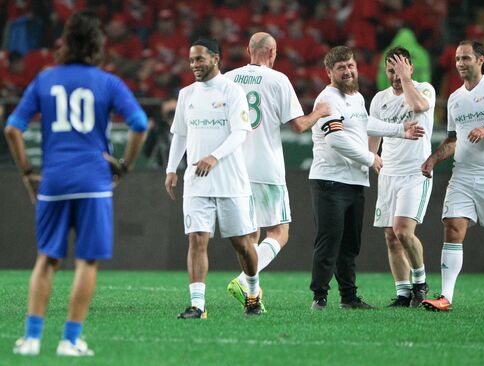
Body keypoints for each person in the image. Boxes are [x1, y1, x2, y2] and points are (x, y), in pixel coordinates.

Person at [6, 10, 147, 356]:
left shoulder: (44, 79)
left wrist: (27, 172)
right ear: (97, 45)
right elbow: (140, 124)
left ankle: (32, 339)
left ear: (65, 43)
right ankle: (70, 341)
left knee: (46, 259)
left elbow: (12, 128)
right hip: (94, 181)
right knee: (86, 261)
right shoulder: (107, 81)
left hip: (53, 180)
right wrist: (123, 166)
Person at [309, 45, 425, 310]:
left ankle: (348, 297)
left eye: (350, 66)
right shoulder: (327, 100)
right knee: (329, 241)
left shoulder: (356, 98)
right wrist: (370, 158)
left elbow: (366, 124)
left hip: (354, 182)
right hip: (330, 181)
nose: (348, 71)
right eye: (341, 68)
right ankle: (319, 297)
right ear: (329, 72)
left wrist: (399, 130)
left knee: (350, 245)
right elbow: (336, 139)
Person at [223, 32, 331, 310]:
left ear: (248, 49)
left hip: (235, 167)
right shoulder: (278, 79)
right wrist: (318, 113)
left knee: (250, 236)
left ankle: (253, 297)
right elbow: (297, 125)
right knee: (279, 231)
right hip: (266, 166)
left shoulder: (228, 79)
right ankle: (243, 281)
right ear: (273, 52)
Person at [421, 40, 484, 312]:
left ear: (480, 60)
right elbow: (454, 140)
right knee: (453, 228)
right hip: (462, 175)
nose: (460, 64)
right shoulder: (454, 98)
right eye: (457, 59)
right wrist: (433, 158)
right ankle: (445, 297)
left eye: (466, 58)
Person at [164, 37, 262, 319]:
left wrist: (214, 156)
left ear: (215, 58)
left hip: (230, 180)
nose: (194, 64)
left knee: (242, 244)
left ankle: (253, 293)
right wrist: (172, 169)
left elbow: (240, 132)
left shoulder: (232, 91)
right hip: (197, 180)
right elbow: (180, 134)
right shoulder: (186, 95)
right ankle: (198, 305)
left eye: (200, 59)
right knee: (197, 239)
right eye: (192, 59)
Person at [369, 47, 435, 308]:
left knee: (403, 231)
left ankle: (420, 282)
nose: (395, 75)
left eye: (400, 69)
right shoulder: (379, 99)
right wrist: (371, 156)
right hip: (389, 172)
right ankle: (403, 292)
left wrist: (407, 80)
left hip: (415, 172)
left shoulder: (423, 88)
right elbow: (373, 130)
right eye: (391, 70)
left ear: (410, 68)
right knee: (390, 236)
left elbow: (419, 106)